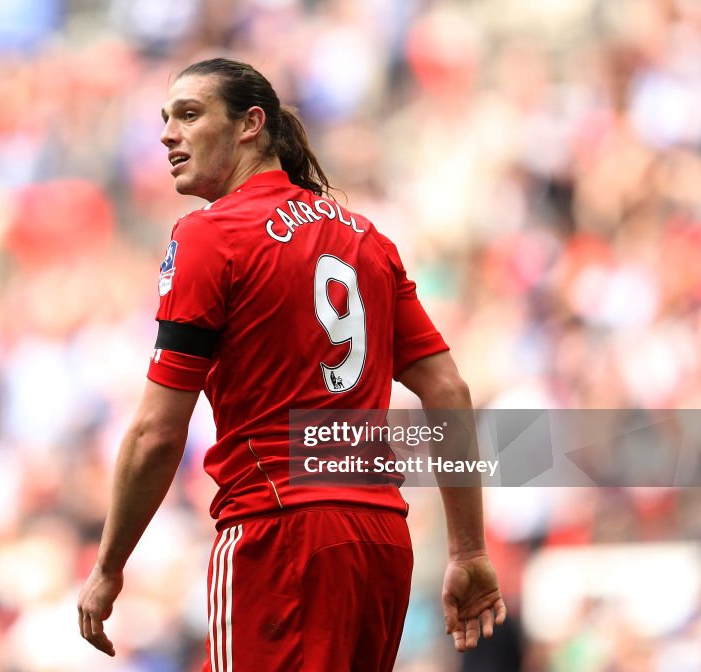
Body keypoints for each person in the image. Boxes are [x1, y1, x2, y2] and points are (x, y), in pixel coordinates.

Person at [77, 58, 505, 670]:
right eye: (166, 119)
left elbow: (156, 431)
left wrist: (108, 567)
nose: (168, 134)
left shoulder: (210, 235)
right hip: (380, 539)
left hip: (278, 535)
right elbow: (448, 389)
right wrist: (468, 550)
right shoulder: (367, 240)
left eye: (189, 115)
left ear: (252, 124)